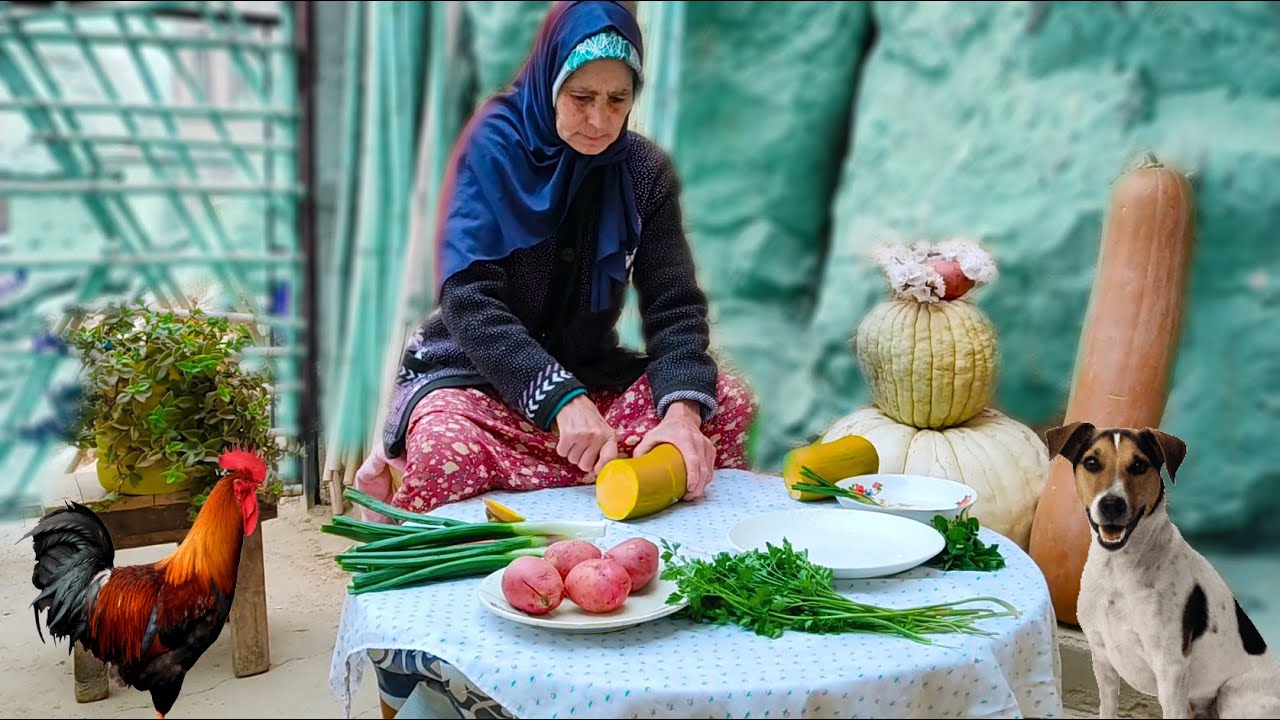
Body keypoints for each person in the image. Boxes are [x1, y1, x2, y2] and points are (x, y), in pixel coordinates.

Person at [357, 0, 758, 520]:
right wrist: (560, 401)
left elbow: (675, 306)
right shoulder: (492, 149)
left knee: (725, 404)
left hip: (591, 382)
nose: (599, 120)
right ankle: (423, 506)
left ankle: (667, 552)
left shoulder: (642, 171)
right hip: (478, 381)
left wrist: (680, 416)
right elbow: (469, 301)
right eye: (581, 96)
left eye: (618, 99)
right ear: (550, 82)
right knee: (443, 446)